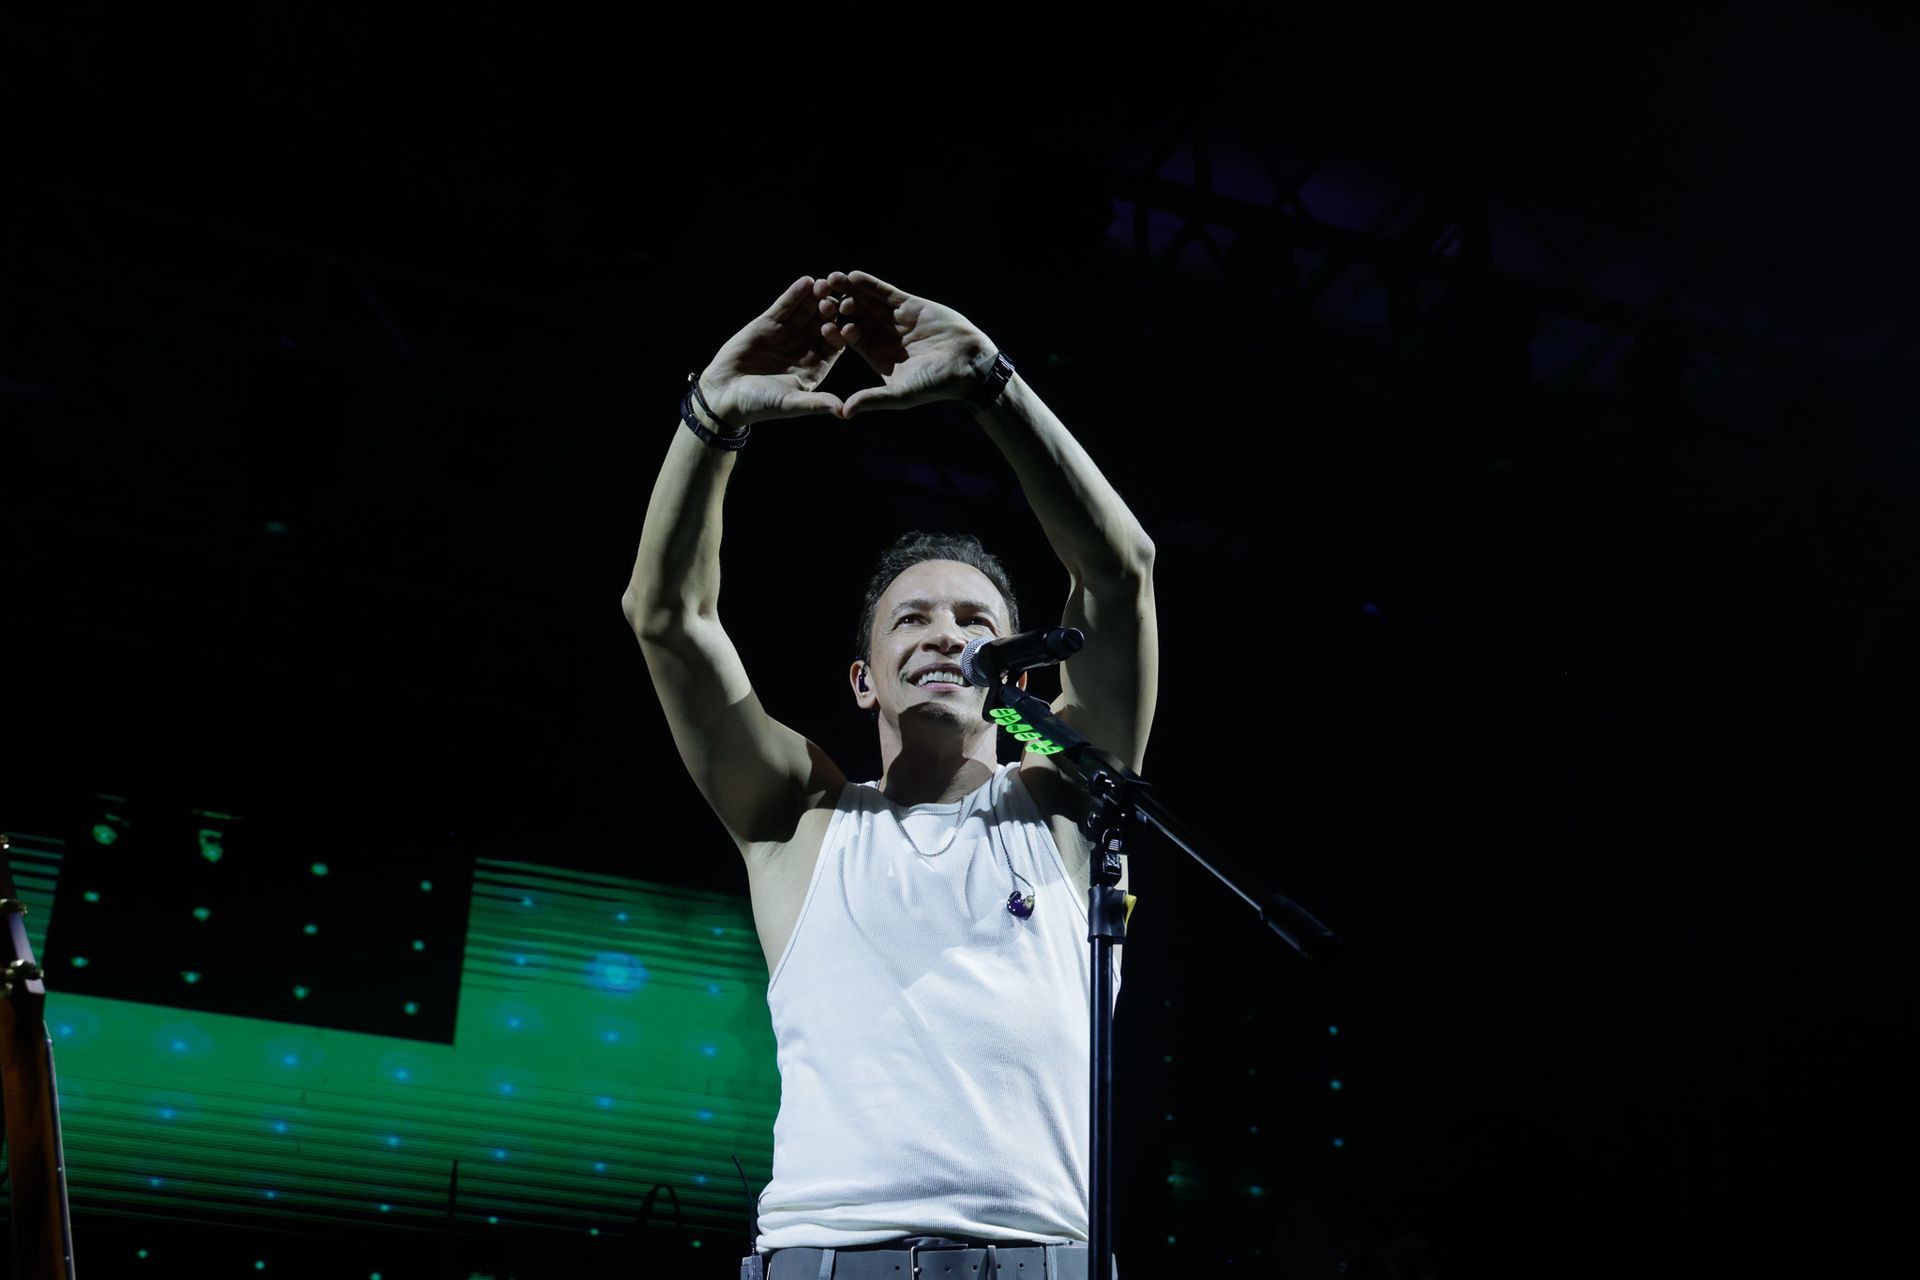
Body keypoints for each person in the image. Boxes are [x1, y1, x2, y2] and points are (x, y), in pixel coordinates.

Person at [623, 270, 1158, 1278]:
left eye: (974, 620)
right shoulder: (804, 817)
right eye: (912, 617)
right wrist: (711, 420)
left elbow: (1122, 572)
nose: (945, 633)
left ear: (1027, 671)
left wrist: (993, 386)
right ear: (865, 677)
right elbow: (669, 619)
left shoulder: (1068, 807)